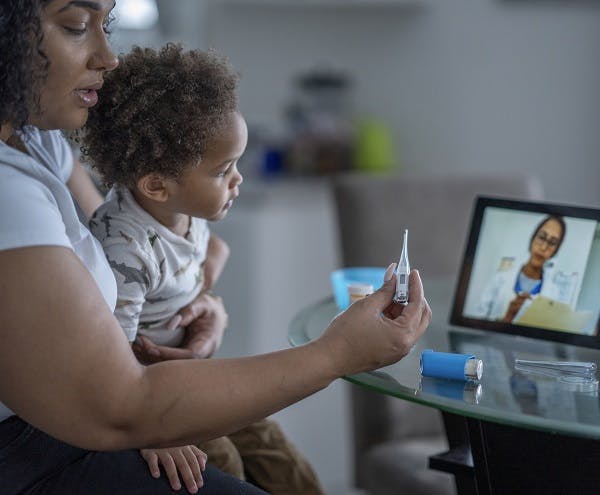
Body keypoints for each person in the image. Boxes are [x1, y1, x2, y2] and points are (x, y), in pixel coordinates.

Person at [0, 2, 431, 495]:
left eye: (107, 23)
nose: (108, 55)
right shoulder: (6, 190)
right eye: (77, 26)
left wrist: (199, 297)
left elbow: (125, 230)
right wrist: (337, 353)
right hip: (40, 445)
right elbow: (124, 405)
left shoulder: (35, 142)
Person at [81, 44, 323, 494]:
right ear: (156, 184)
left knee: (274, 447)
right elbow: (112, 358)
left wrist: (207, 280)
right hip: (154, 392)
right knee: (225, 460)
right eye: (223, 171)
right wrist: (153, 432)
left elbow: (205, 250)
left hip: (189, 374)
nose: (238, 180)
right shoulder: (125, 252)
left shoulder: (180, 209)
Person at [476, 215, 566, 322]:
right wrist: (506, 319)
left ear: (555, 251)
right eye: (541, 237)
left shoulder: (554, 294)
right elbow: (476, 323)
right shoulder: (500, 279)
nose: (543, 247)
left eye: (552, 243)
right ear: (532, 239)